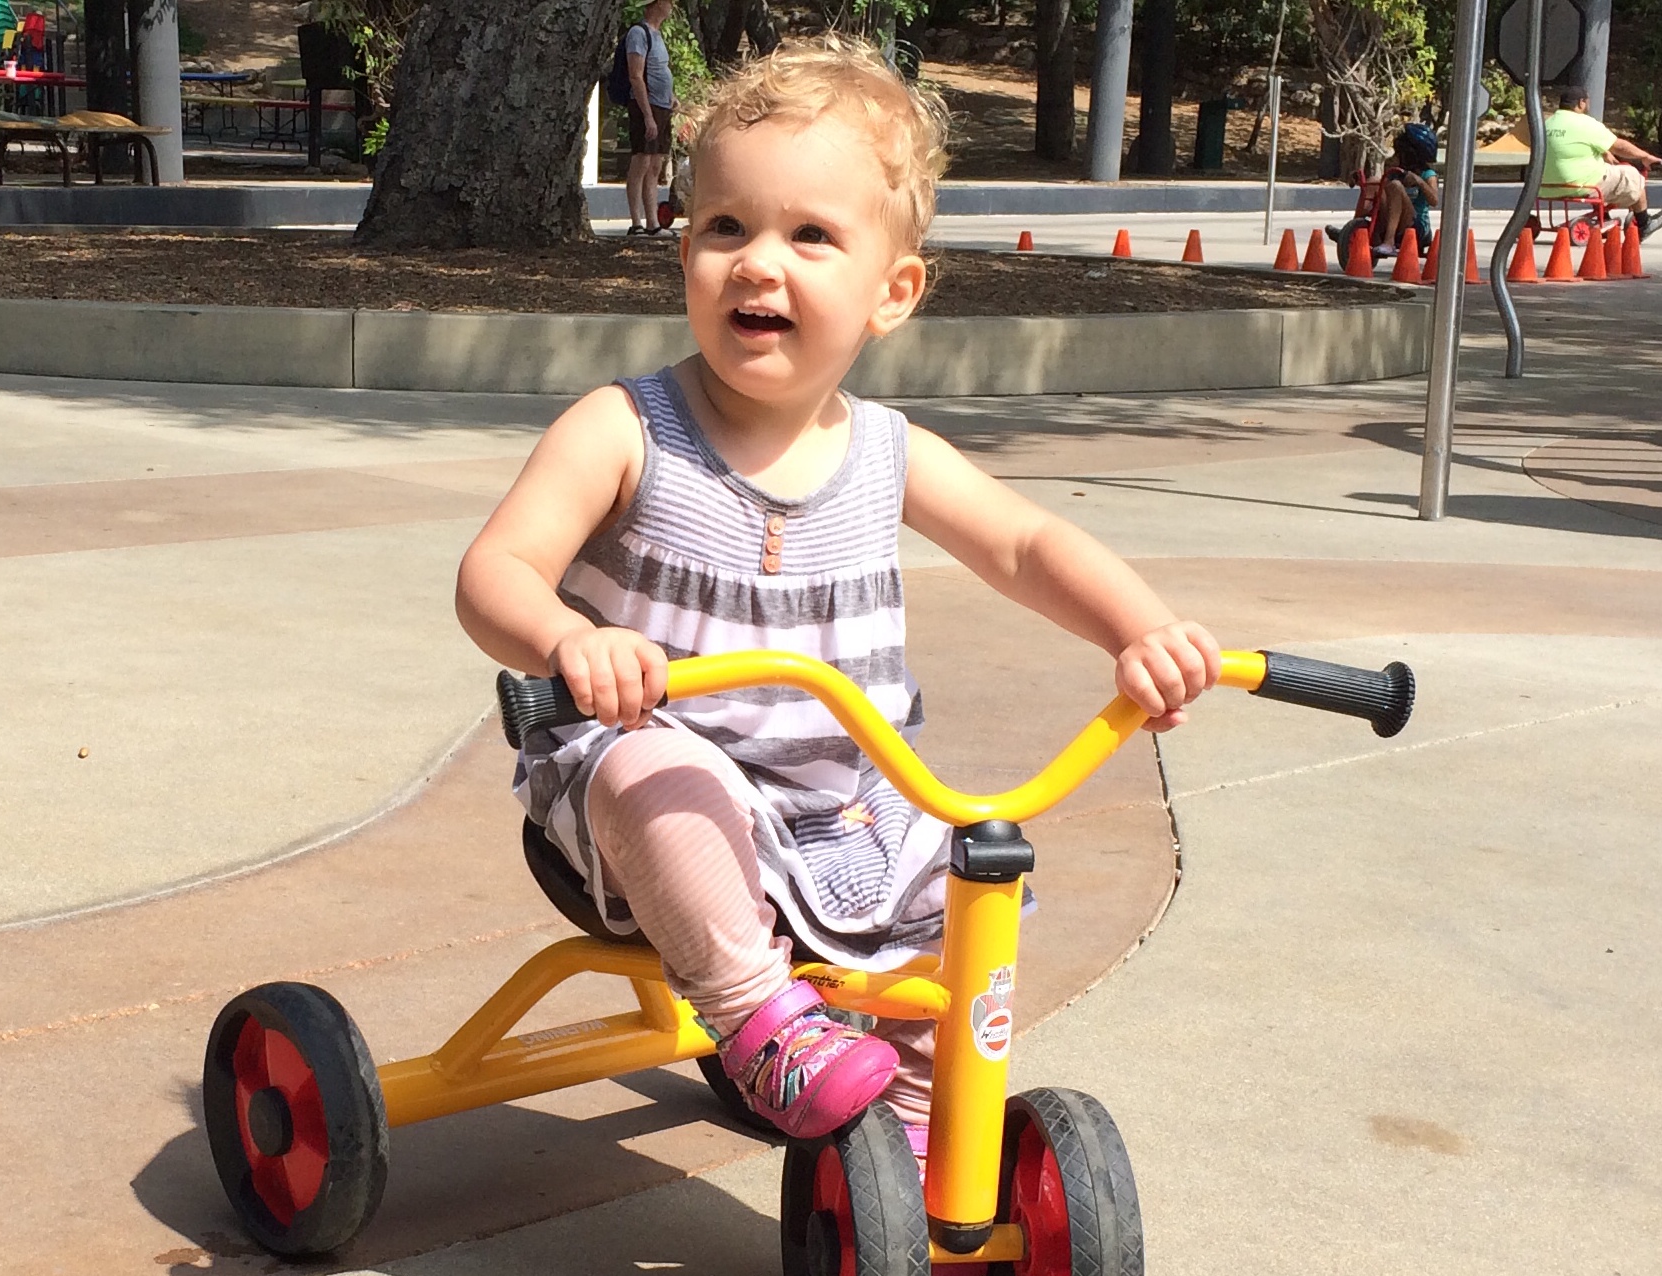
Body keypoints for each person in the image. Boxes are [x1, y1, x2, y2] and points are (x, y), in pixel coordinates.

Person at [456, 36, 1219, 1169]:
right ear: (684, 250)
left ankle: (909, 1119)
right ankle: (757, 1019)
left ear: (891, 292)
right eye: (726, 227)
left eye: (810, 235)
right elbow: (494, 573)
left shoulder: (888, 452)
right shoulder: (622, 429)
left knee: (972, 862)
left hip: (842, 803)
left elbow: (1022, 541)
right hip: (635, 783)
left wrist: (1139, 627)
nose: (757, 264)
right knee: (663, 771)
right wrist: (570, 638)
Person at [1542, 85, 1662, 239]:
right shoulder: (1585, 123)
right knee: (1632, 175)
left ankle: (1604, 216)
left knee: (1597, 169)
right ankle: (1644, 223)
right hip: (1578, 185)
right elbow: (1619, 146)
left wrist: (1604, 152)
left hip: (1545, 187)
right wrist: (1644, 156)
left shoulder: (1547, 124)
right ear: (1581, 103)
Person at [1329, 122, 1439, 262]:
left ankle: (1389, 242)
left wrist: (1419, 181)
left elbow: (1434, 200)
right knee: (1374, 181)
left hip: (1415, 226)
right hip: (1392, 221)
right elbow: (1381, 191)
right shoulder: (1396, 170)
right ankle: (1354, 229)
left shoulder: (1428, 174)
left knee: (1395, 186)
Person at [623, 0, 677, 236]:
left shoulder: (659, 35)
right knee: (641, 161)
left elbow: (659, 69)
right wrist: (647, 116)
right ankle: (636, 222)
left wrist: (671, 96)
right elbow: (636, 76)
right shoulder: (638, 33)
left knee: (655, 164)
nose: (672, 5)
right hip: (646, 106)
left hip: (662, 106)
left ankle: (653, 223)